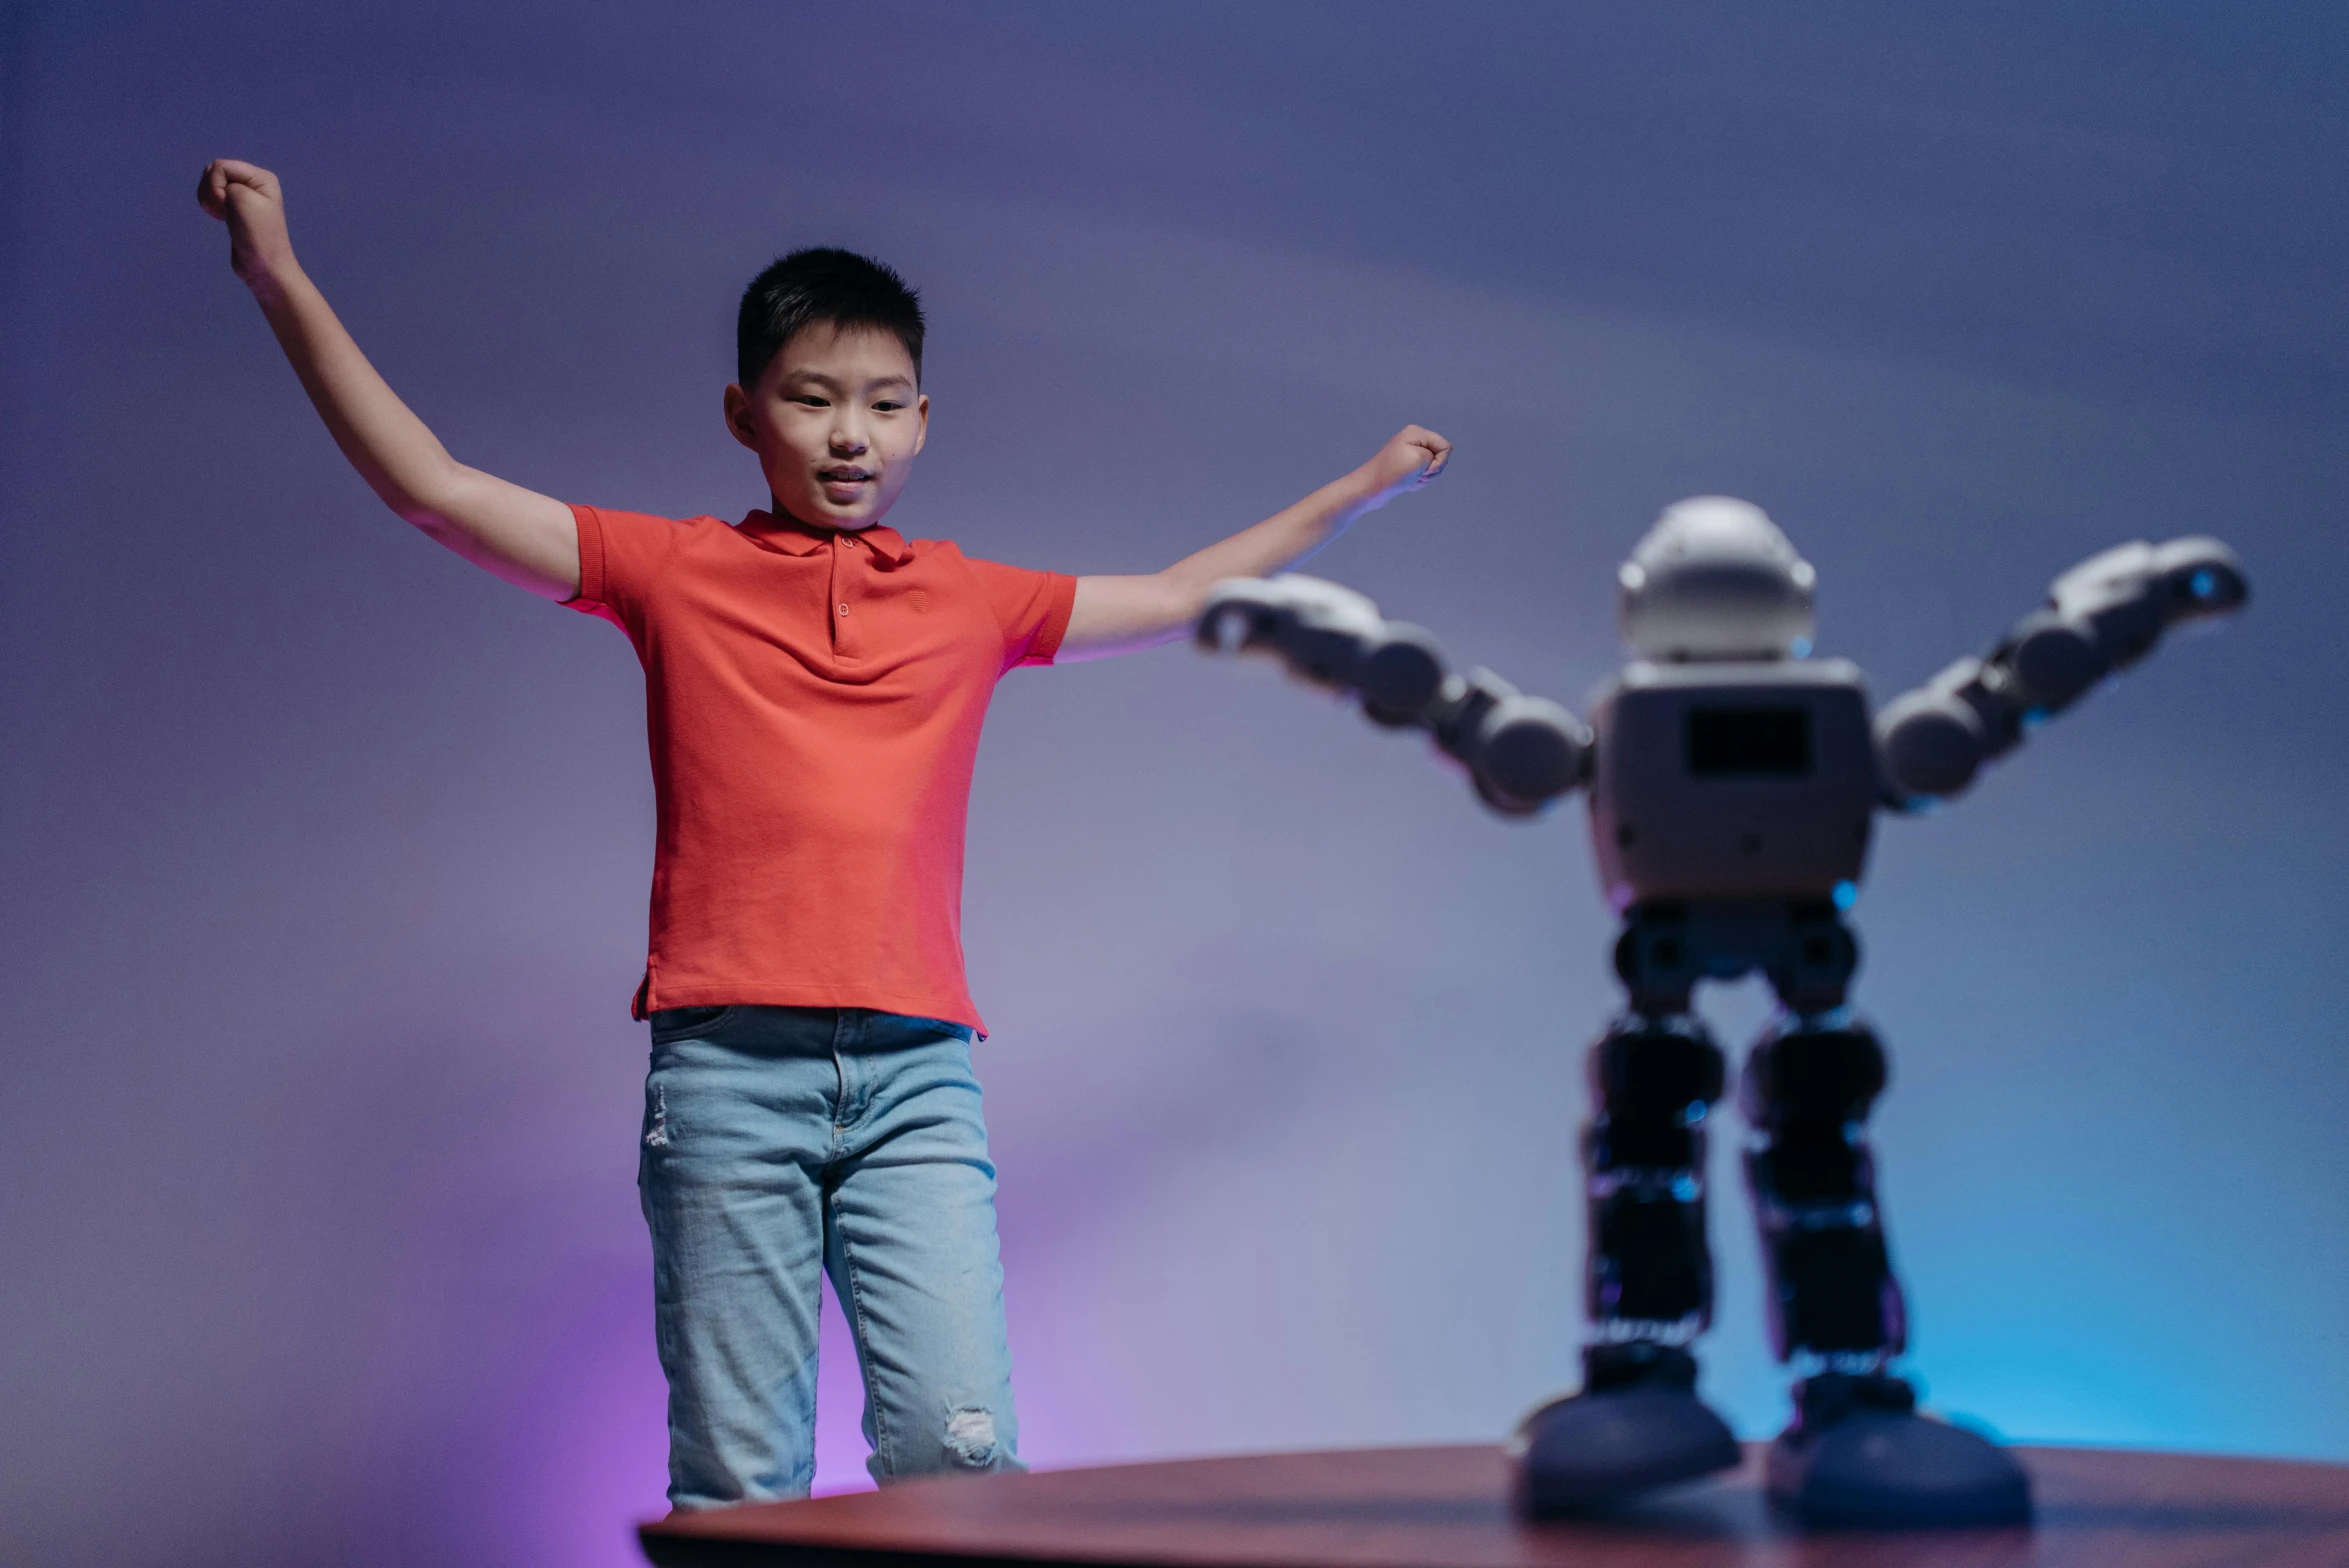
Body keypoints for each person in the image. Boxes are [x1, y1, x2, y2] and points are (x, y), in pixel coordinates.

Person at [197, 157, 1451, 1509]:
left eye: (881, 404)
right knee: (742, 1485)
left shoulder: (970, 599)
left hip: (919, 1079)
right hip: (730, 1074)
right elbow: (434, 488)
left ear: (924, 424)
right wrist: (279, 274)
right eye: (810, 399)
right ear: (744, 414)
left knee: (959, 1467)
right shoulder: (672, 571)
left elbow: (1177, 593)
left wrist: (1356, 492)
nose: (848, 434)